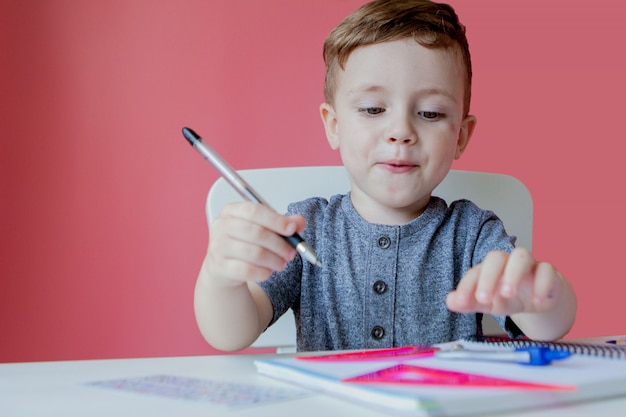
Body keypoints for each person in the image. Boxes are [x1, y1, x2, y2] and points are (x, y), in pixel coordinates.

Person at [194, 0, 577, 352]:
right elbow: (231, 334)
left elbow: (548, 326)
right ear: (334, 125)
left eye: (429, 113)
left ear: (460, 136)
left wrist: (543, 299)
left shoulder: (472, 233)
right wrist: (220, 277)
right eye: (374, 108)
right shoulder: (307, 228)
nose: (400, 131)